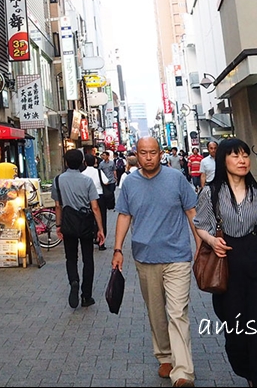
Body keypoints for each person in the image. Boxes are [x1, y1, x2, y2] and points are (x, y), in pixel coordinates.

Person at [193, 137, 257, 387]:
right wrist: (211, 241)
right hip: (227, 266)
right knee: (237, 334)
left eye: (245, 155)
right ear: (223, 160)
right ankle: (249, 373)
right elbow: (201, 226)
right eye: (235, 155)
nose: (242, 160)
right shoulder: (211, 193)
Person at [111, 137, 199, 388]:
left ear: (160, 153)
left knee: (177, 312)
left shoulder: (176, 179)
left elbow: (192, 213)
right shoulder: (130, 183)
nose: (148, 157)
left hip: (177, 257)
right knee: (156, 312)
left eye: (152, 152)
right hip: (145, 257)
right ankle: (164, 356)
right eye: (143, 153)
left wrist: (201, 244)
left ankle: (183, 372)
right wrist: (117, 249)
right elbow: (124, 215)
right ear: (136, 155)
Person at [52, 148, 106, 308]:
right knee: (88, 258)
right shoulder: (87, 181)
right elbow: (95, 207)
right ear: (82, 162)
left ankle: (74, 281)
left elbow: (57, 206)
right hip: (85, 223)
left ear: (66, 162)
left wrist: (58, 225)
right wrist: (100, 228)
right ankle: (86, 296)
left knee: (71, 257)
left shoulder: (57, 180)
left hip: (68, 223)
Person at [96, 150, 117, 250]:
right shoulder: (101, 165)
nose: (103, 156)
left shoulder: (112, 163)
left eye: (104, 155)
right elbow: (100, 174)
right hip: (104, 183)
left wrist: (115, 177)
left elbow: (114, 170)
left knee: (111, 194)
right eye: (102, 155)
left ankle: (111, 204)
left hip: (111, 180)